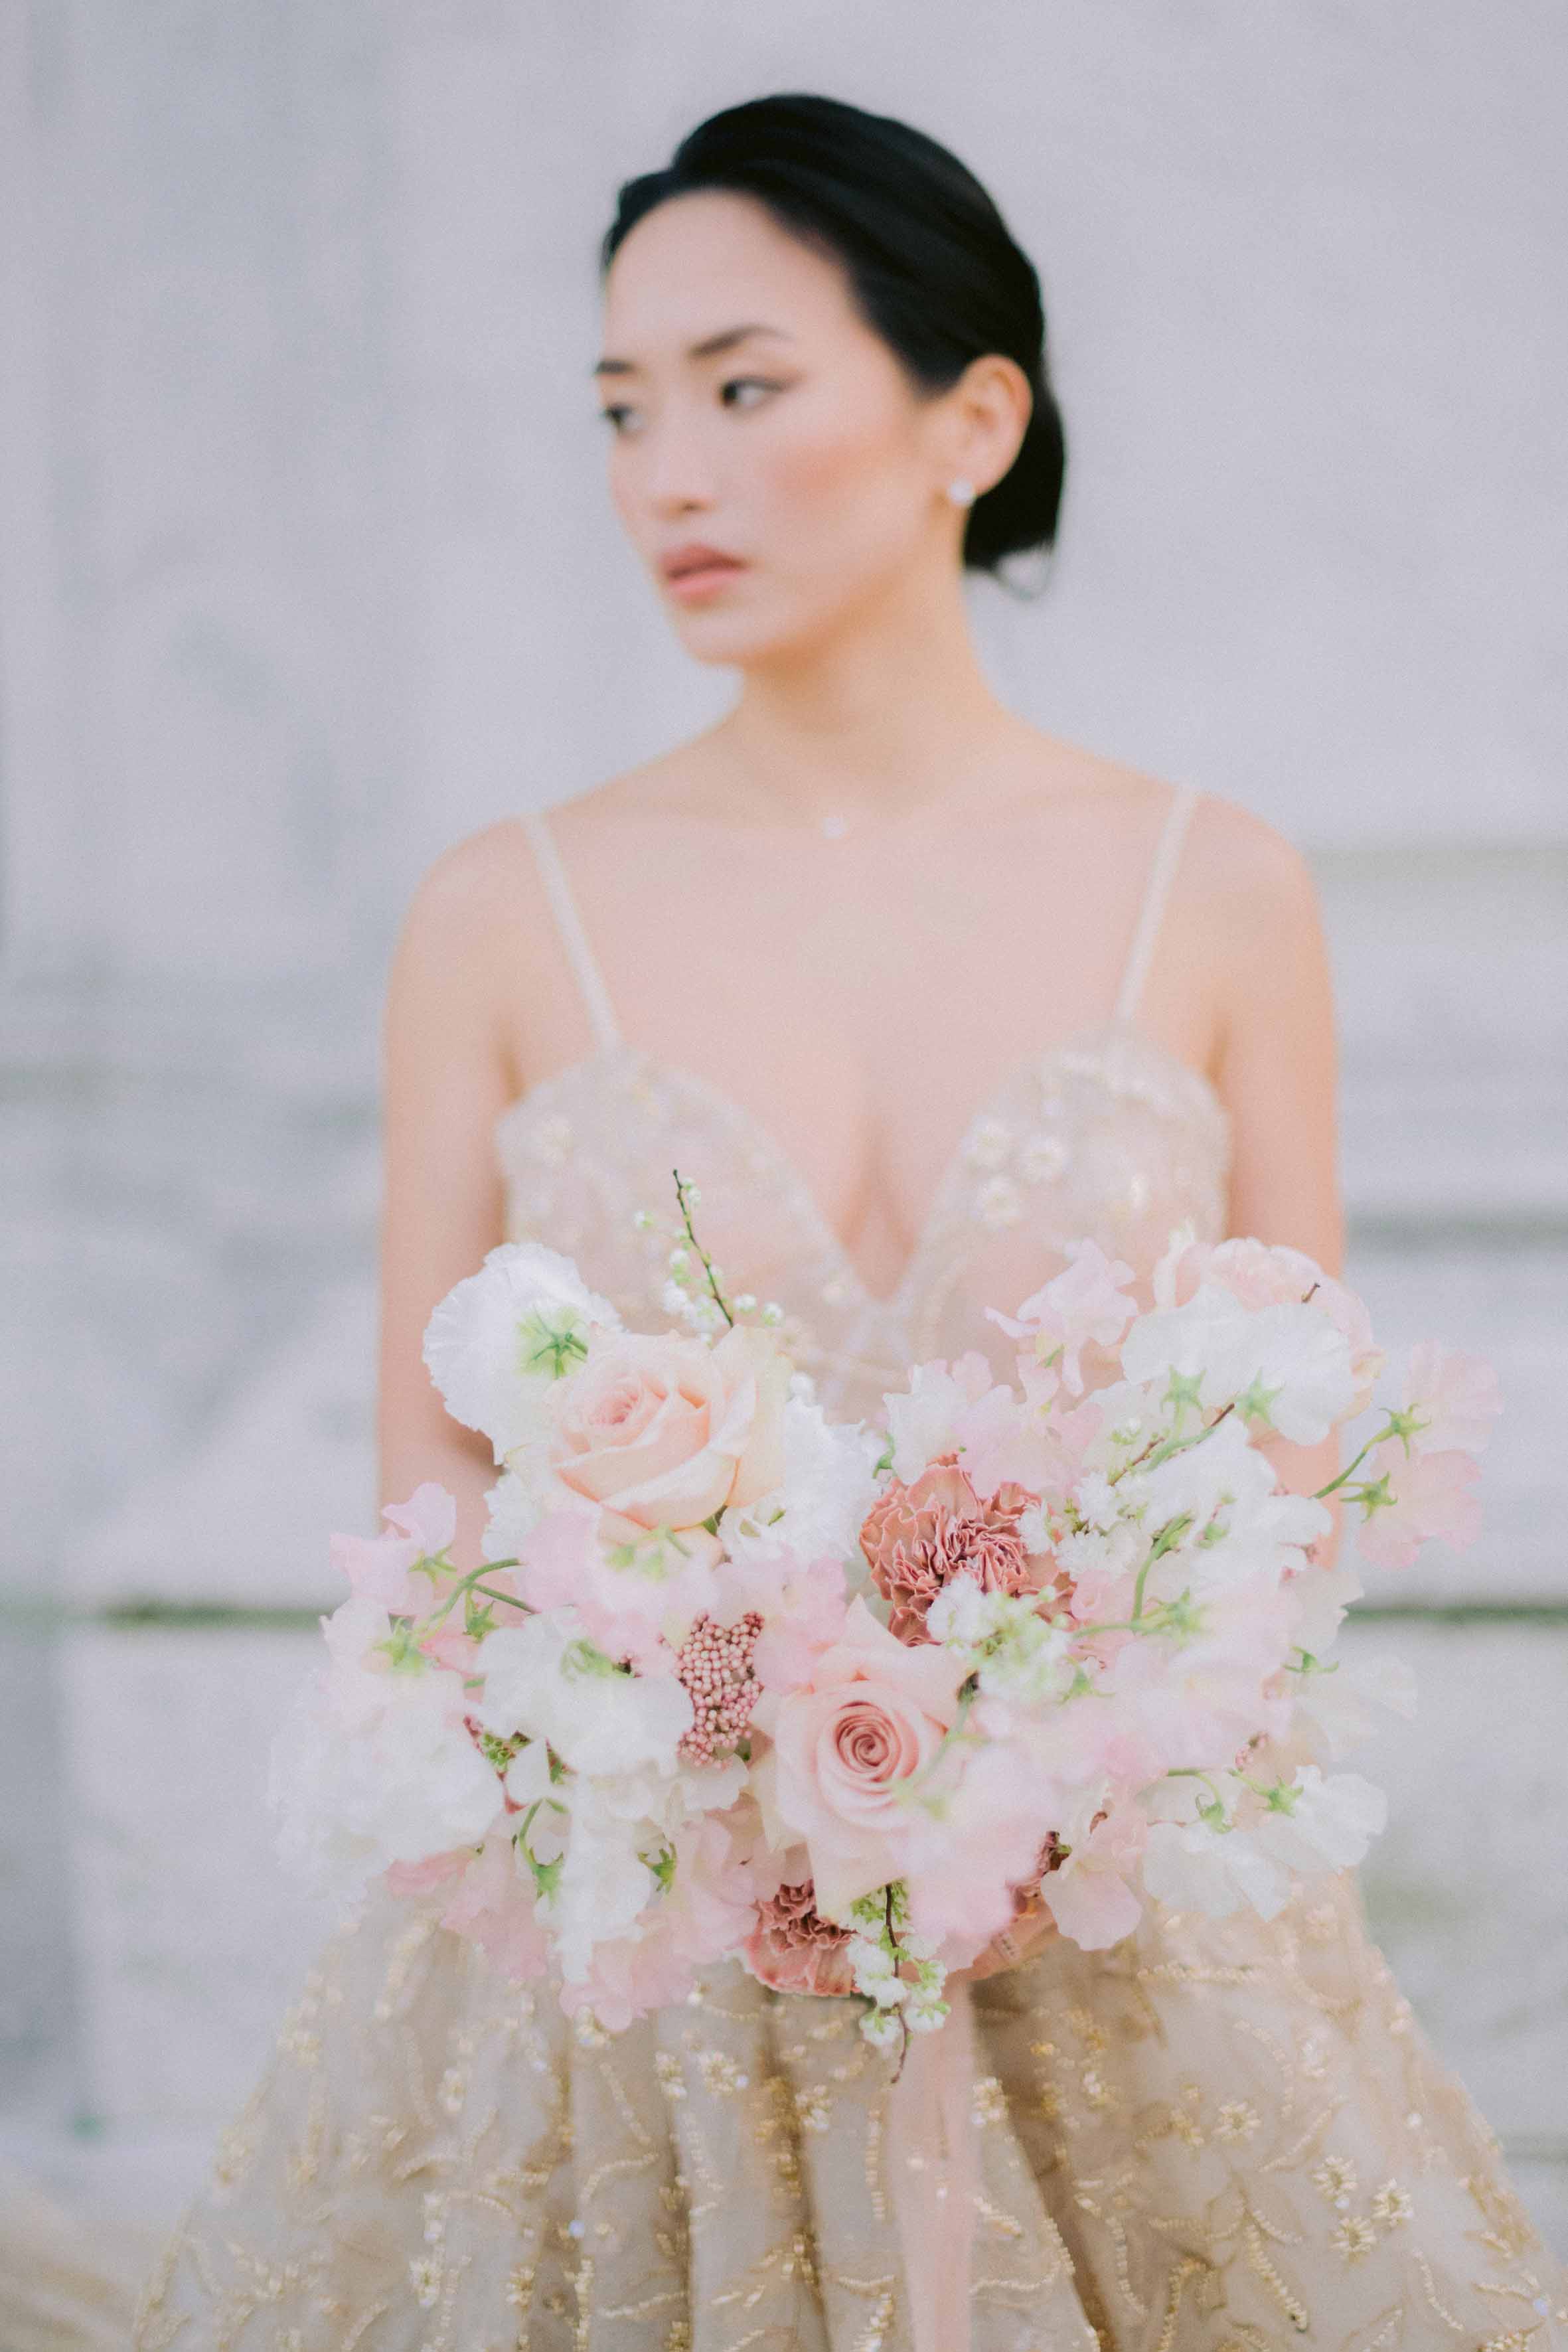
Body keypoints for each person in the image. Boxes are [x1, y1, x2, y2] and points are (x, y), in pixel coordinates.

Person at [133, 93, 1563, 2351]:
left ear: (966, 415)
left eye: (740, 384)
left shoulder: (1214, 887)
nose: (663, 474)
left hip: (1112, 1939)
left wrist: (1076, 1737)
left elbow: (1294, 1452)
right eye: (620, 409)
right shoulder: (506, 915)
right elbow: (433, 1497)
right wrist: (646, 1752)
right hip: (639, 1966)